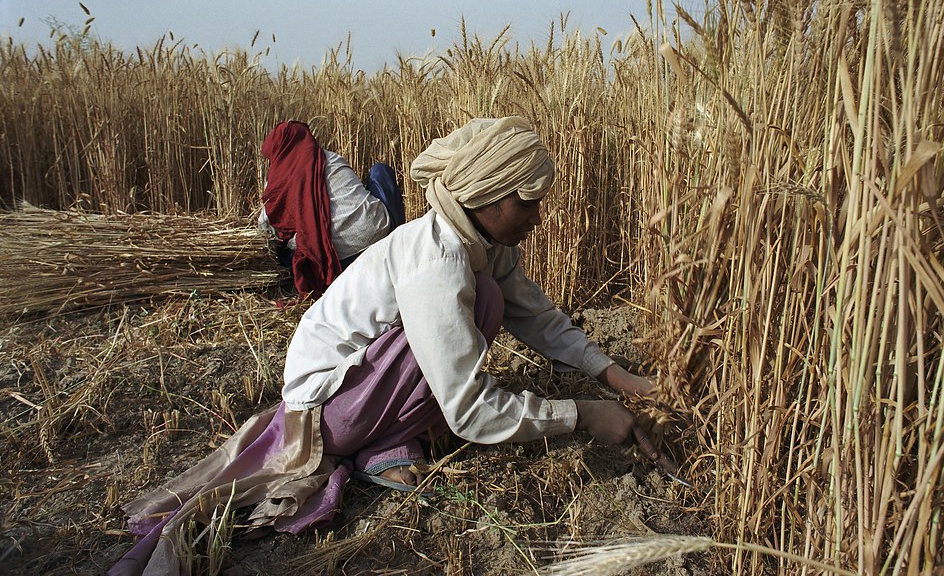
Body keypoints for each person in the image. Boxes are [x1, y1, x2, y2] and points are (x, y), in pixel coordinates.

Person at [110, 116, 658, 576]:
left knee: (490, 298)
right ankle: (371, 442)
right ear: (489, 198)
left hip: (359, 392)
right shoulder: (436, 264)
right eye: (529, 203)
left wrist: (612, 374)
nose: (539, 218)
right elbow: (468, 410)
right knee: (476, 307)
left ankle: (385, 440)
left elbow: (534, 314)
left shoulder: (478, 240)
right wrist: (581, 415)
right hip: (330, 414)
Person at [258, 120, 405, 298]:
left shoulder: (275, 184)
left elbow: (266, 228)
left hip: (334, 261)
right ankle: (398, 245)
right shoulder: (332, 159)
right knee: (380, 171)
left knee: (285, 252)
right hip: (378, 236)